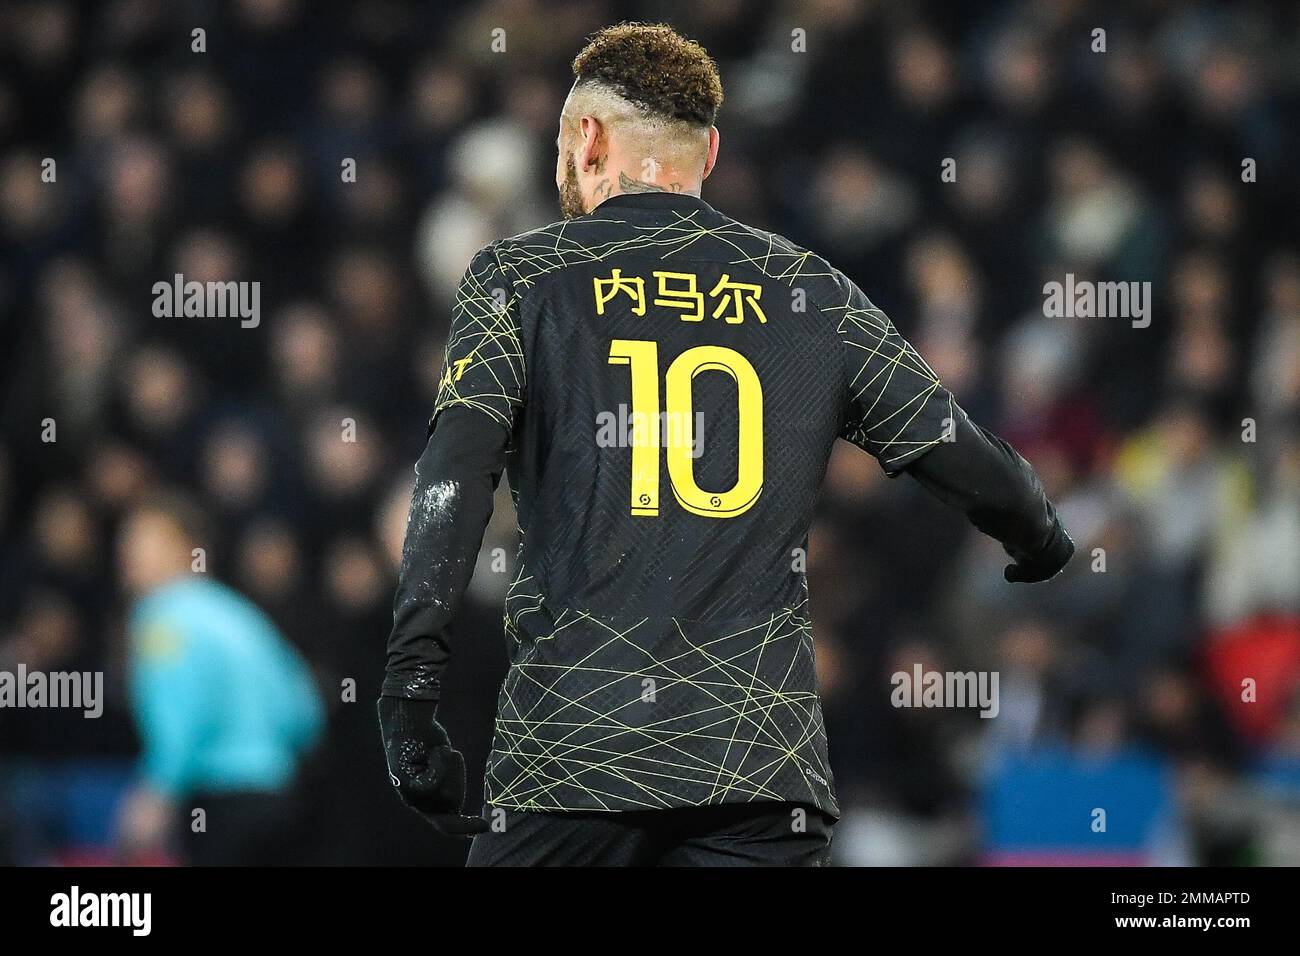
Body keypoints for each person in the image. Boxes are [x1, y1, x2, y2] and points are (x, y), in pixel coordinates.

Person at [378, 22, 1073, 867]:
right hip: (760, 771)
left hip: (574, 760)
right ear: (707, 152)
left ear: (586, 140)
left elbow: (452, 482)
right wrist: (1035, 530)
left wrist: (412, 687)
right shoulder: (810, 292)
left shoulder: (520, 276)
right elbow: (960, 452)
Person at [116, 494, 323, 865]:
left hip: (219, 806)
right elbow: (303, 710)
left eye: (144, 542)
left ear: (186, 548)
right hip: (281, 800)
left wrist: (157, 791)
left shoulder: (160, 616)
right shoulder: (238, 613)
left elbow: (180, 715)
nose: (128, 555)